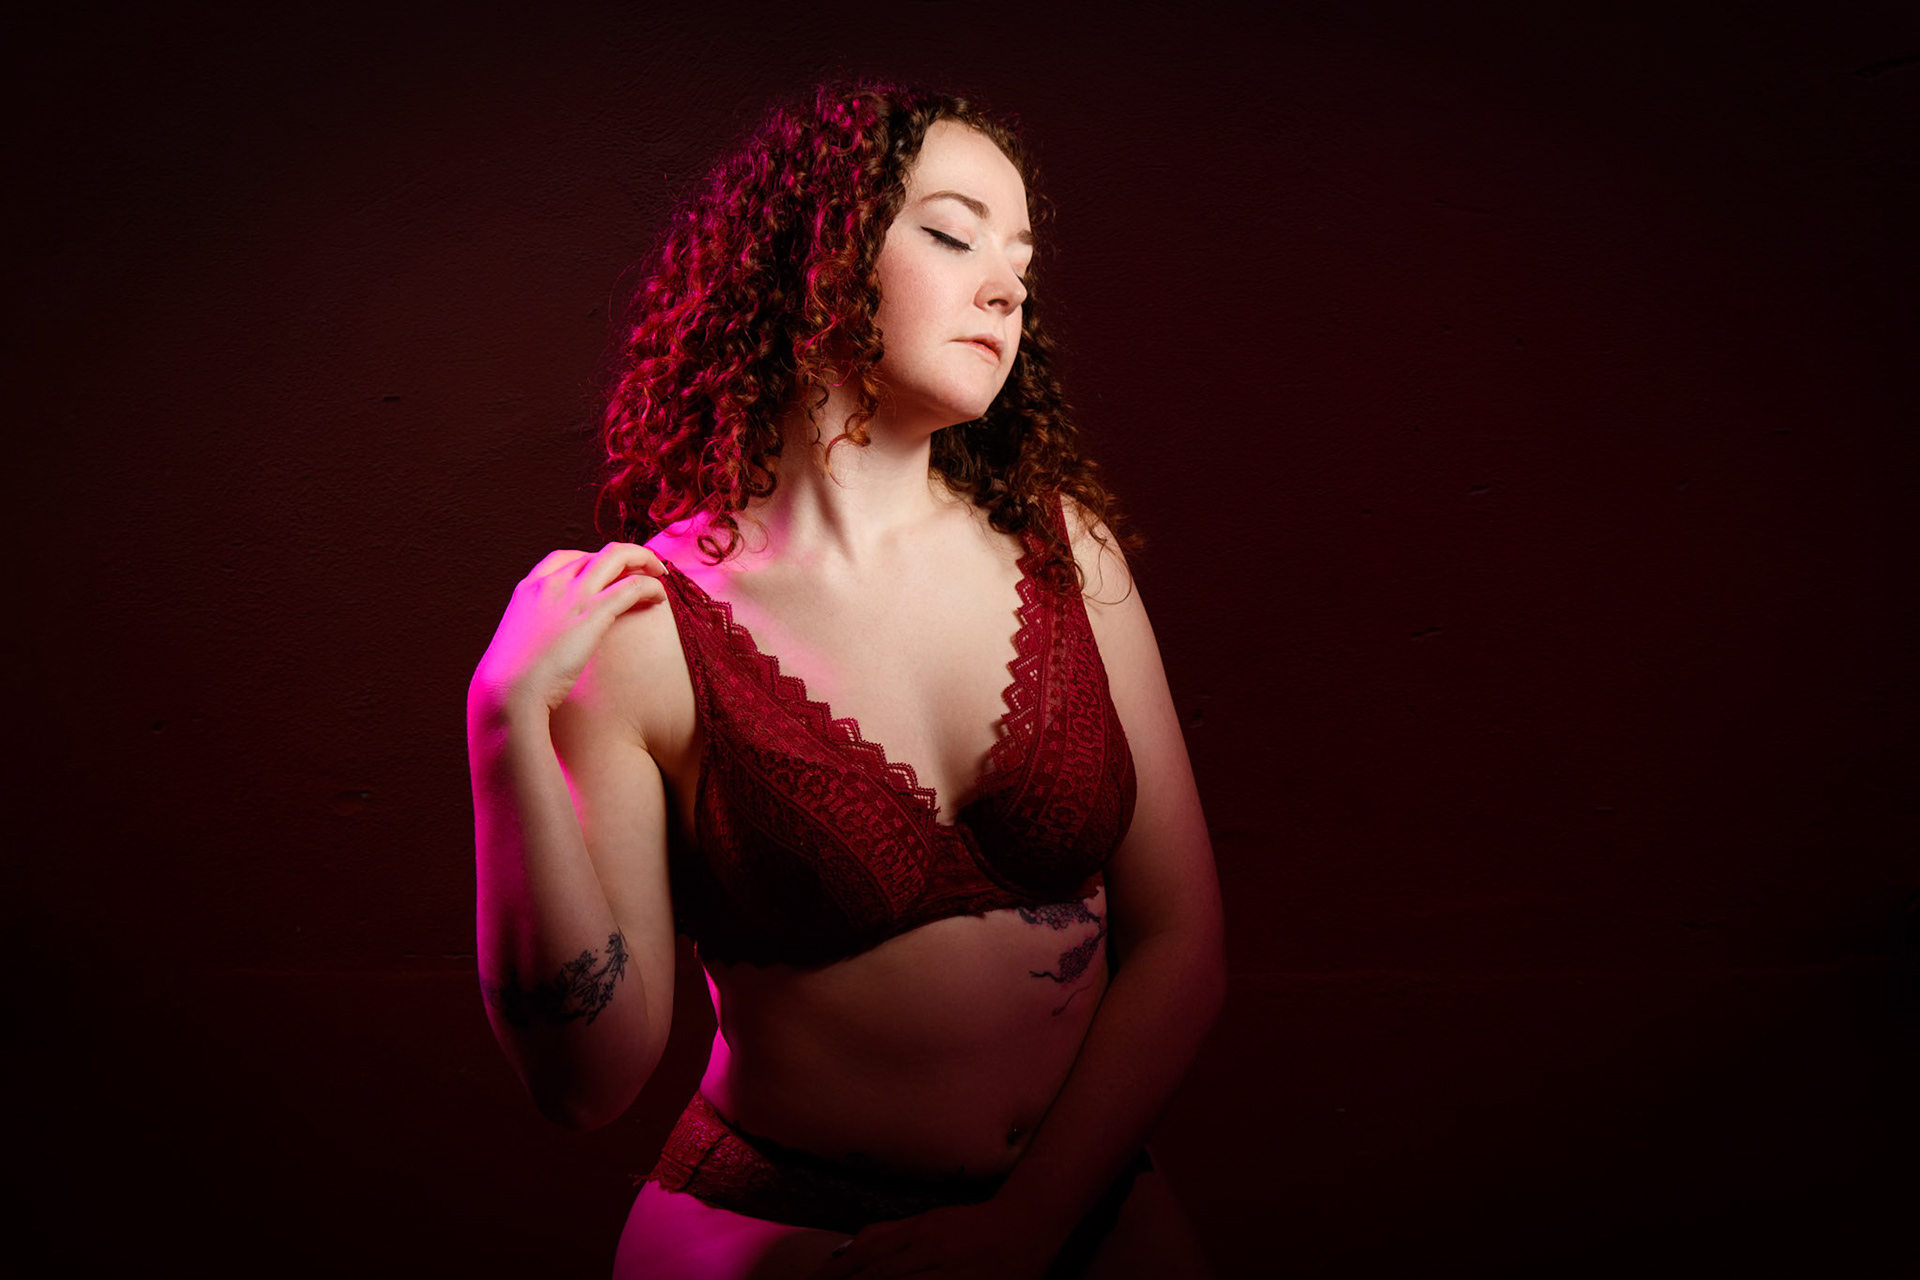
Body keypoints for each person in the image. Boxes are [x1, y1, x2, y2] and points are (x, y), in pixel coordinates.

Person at [467, 83, 1224, 1279]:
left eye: (1022, 258)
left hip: (1083, 1228)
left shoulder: (1066, 551)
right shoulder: (649, 627)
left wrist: (1026, 1225)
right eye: (954, 232)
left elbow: (1183, 940)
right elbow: (586, 1082)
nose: (1006, 285)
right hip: (789, 1242)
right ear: (816, 258)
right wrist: (504, 728)